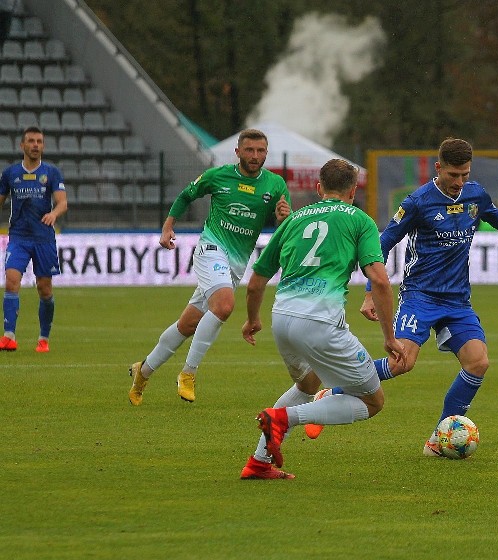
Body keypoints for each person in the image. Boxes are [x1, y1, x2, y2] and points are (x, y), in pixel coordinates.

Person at [359, 137, 498, 456]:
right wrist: (371, 292)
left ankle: (440, 440)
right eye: (453, 175)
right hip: (420, 296)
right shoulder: (417, 202)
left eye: (465, 174)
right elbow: (383, 243)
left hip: (457, 301)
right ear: (438, 168)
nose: (459, 182)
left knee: (478, 362)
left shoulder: (475, 195)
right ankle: (336, 388)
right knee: (402, 363)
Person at [241, 158, 406, 479]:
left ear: (319, 188)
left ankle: (259, 463)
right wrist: (389, 337)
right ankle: (284, 418)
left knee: (308, 381)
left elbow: (256, 280)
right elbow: (381, 281)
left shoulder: (295, 218)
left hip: (282, 319)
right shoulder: (360, 220)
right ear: (353, 190)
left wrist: (252, 320)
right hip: (319, 322)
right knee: (372, 401)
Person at [127, 128, 291, 405]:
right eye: (249, 150)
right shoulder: (218, 176)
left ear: (266, 153)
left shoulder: (275, 185)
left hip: (237, 262)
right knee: (225, 306)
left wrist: (283, 217)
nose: (254, 155)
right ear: (238, 152)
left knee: (188, 324)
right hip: (210, 249)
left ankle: (142, 372)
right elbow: (185, 196)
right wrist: (168, 227)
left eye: (260, 150)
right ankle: (188, 373)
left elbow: (284, 225)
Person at [0, 126, 68, 352]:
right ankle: (9, 336)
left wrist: (54, 214)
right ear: (22, 145)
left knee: (44, 289)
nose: (35, 145)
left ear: (43, 145)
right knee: (11, 280)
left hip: (43, 238)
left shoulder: (51, 172)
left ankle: (43, 339)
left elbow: (62, 202)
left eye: (39, 141)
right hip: (18, 237)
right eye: (31, 141)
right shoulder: (10, 174)